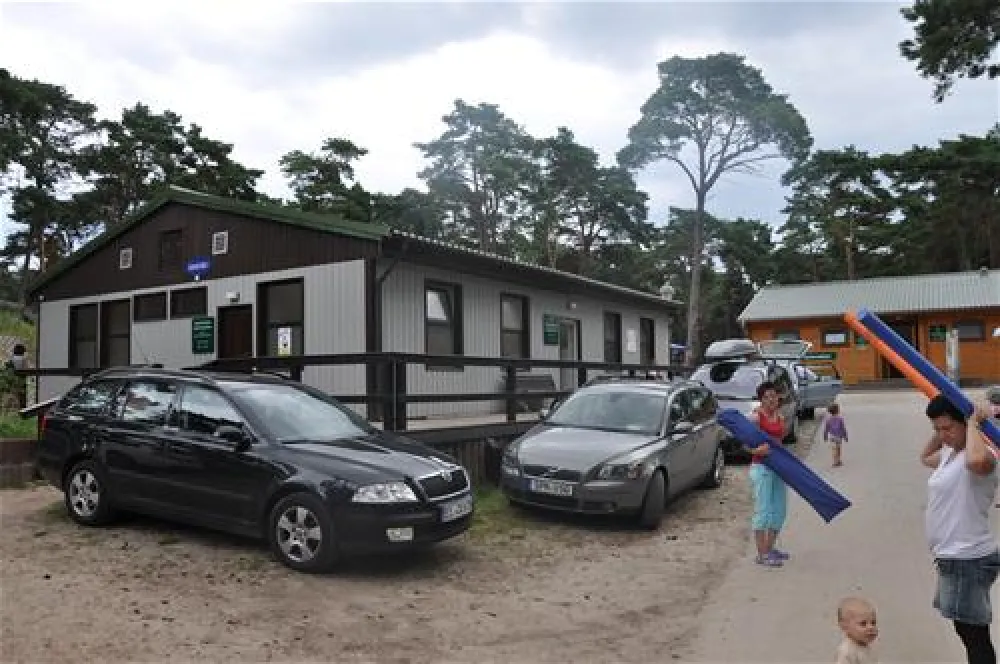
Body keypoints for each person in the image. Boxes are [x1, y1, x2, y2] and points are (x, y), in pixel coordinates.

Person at [921, 395, 999, 664]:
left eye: (948, 428)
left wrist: (975, 422)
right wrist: (943, 431)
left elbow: (976, 462)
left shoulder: (985, 456)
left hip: (969, 557)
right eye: (937, 429)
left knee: (974, 634)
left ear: (965, 424)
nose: (942, 435)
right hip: (953, 557)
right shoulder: (948, 453)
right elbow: (924, 457)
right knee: (966, 630)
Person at [747, 380, 789, 567]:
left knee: (779, 510)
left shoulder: (780, 417)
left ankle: (769, 548)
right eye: (767, 397)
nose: (771, 400)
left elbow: (780, 441)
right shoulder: (756, 417)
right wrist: (756, 451)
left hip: (778, 468)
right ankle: (761, 554)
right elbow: (743, 443)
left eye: (774, 396)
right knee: (763, 510)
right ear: (761, 400)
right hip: (761, 468)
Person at [835, 596, 879, 663]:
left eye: (873, 623)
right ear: (845, 627)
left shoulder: (868, 648)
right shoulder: (846, 651)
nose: (871, 627)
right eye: (863, 624)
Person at [824, 402, 849, 467]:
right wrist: (845, 436)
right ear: (838, 410)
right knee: (838, 449)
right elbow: (843, 428)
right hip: (839, 436)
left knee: (834, 449)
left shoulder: (828, 419)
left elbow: (826, 429)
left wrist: (825, 436)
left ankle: (835, 461)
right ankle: (838, 460)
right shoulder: (840, 419)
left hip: (832, 437)